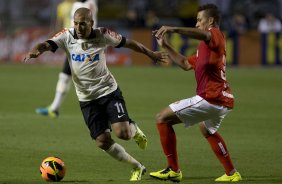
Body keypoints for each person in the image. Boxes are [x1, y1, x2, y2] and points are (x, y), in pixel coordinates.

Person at [24, 7, 168, 181]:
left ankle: (133, 128)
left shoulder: (103, 34)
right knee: (102, 141)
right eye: (76, 23)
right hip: (86, 99)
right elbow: (47, 44)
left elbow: (129, 43)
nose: (78, 27)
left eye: (83, 24)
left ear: (91, 23)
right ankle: (136, 166)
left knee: (124, 134)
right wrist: (36, 50)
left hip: (108, 91)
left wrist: (150, 53)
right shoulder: (66, 36)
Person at [149, 4, 242, 182]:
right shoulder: (205, 47)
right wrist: (166, 45)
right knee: (206, 129)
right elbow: (185, 63)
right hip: (223, 99)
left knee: (162, 118)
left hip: (211, 98)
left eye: (199, 20)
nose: (197, 24)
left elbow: (205, 34)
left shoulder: (214, 34)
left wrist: (173, 28)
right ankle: (232, 173)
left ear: (211, 21)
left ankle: (173, 170)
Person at [36, 0, 98, 118]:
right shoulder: (82, 4)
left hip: (83, 46)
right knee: (65, 76)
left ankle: (104, 112)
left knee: (87, 80)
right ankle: (54, 108)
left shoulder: (85, 4)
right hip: (77, 45)